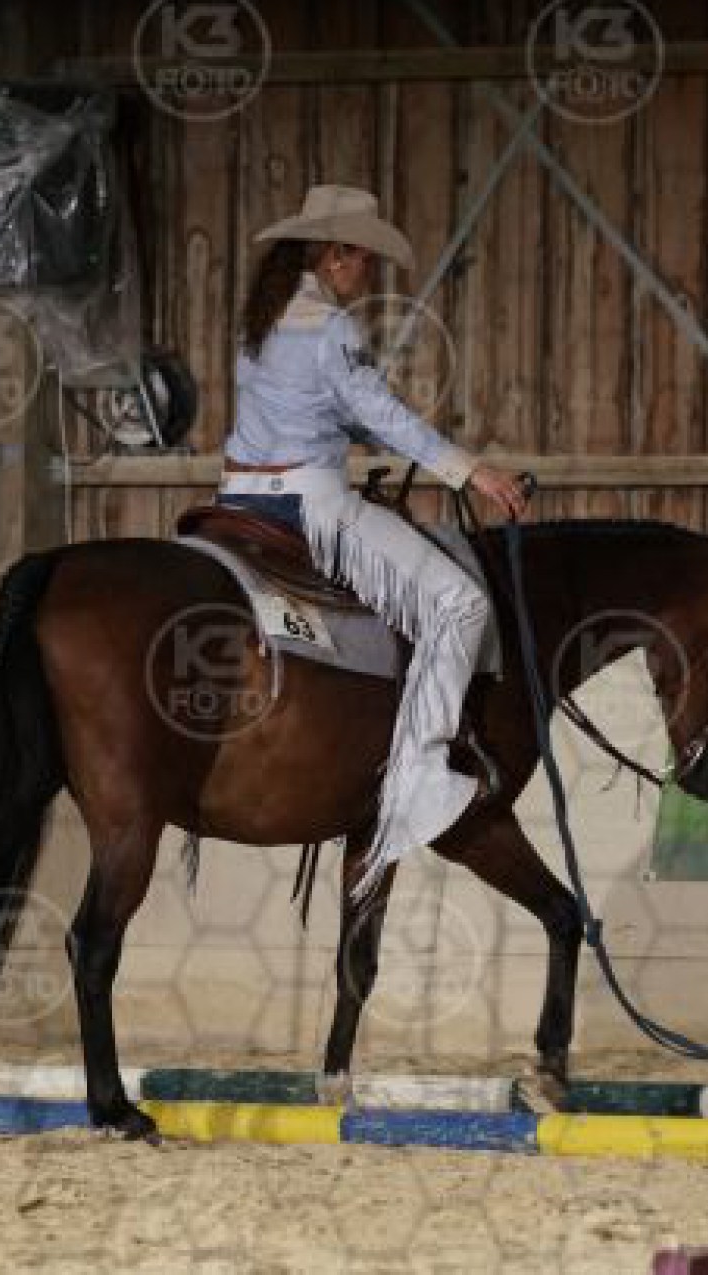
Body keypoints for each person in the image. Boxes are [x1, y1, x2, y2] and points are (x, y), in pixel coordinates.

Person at [219, 184, 532, 889]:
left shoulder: (260, 320)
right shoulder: (332, 326)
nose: (367, 272)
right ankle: (421, 772)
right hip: (308, 504)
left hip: (236, 499)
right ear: (337, 255)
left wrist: (364, 433)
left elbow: (321, 411)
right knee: (460, 603)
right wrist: (470, 470)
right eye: (362, 258)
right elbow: (382, 413)